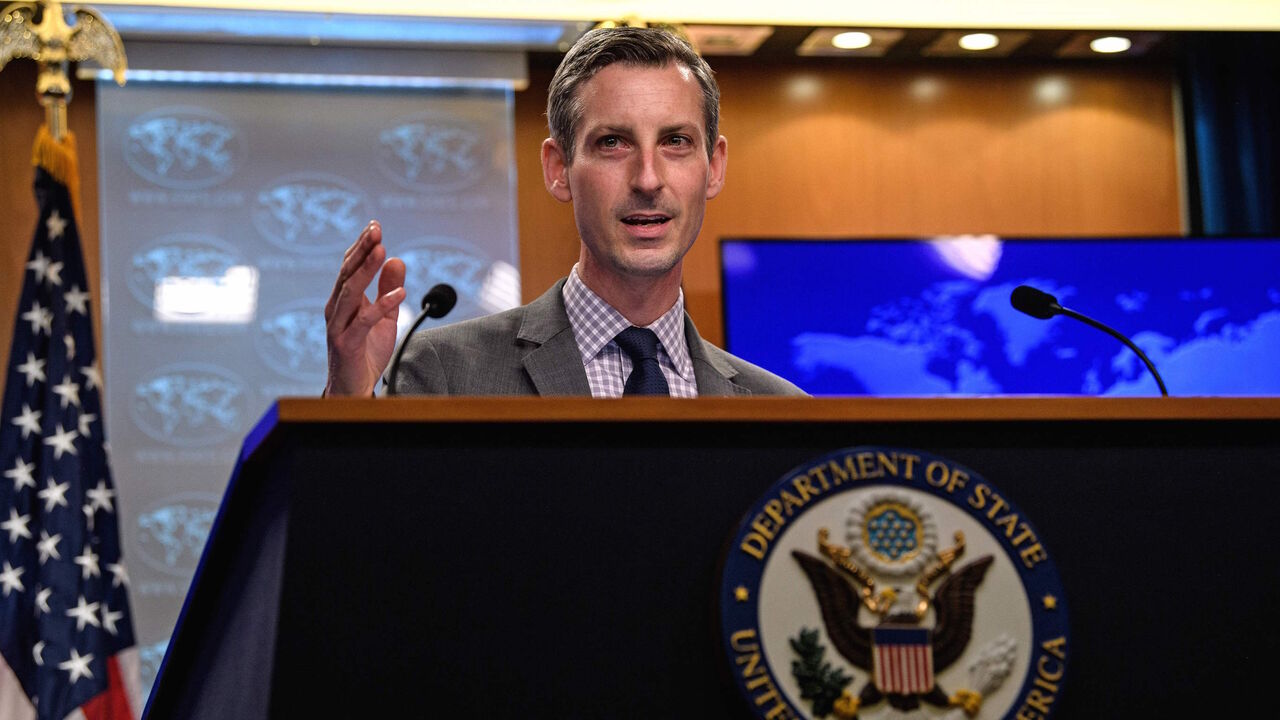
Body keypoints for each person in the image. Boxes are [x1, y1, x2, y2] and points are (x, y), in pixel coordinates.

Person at [323, 26, 804, 398]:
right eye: (612, 143)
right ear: (558, 169)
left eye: (675, 142)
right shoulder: (445, 371)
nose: (648, 179)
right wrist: (348, 406)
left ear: (713, 168)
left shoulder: (782, 411)